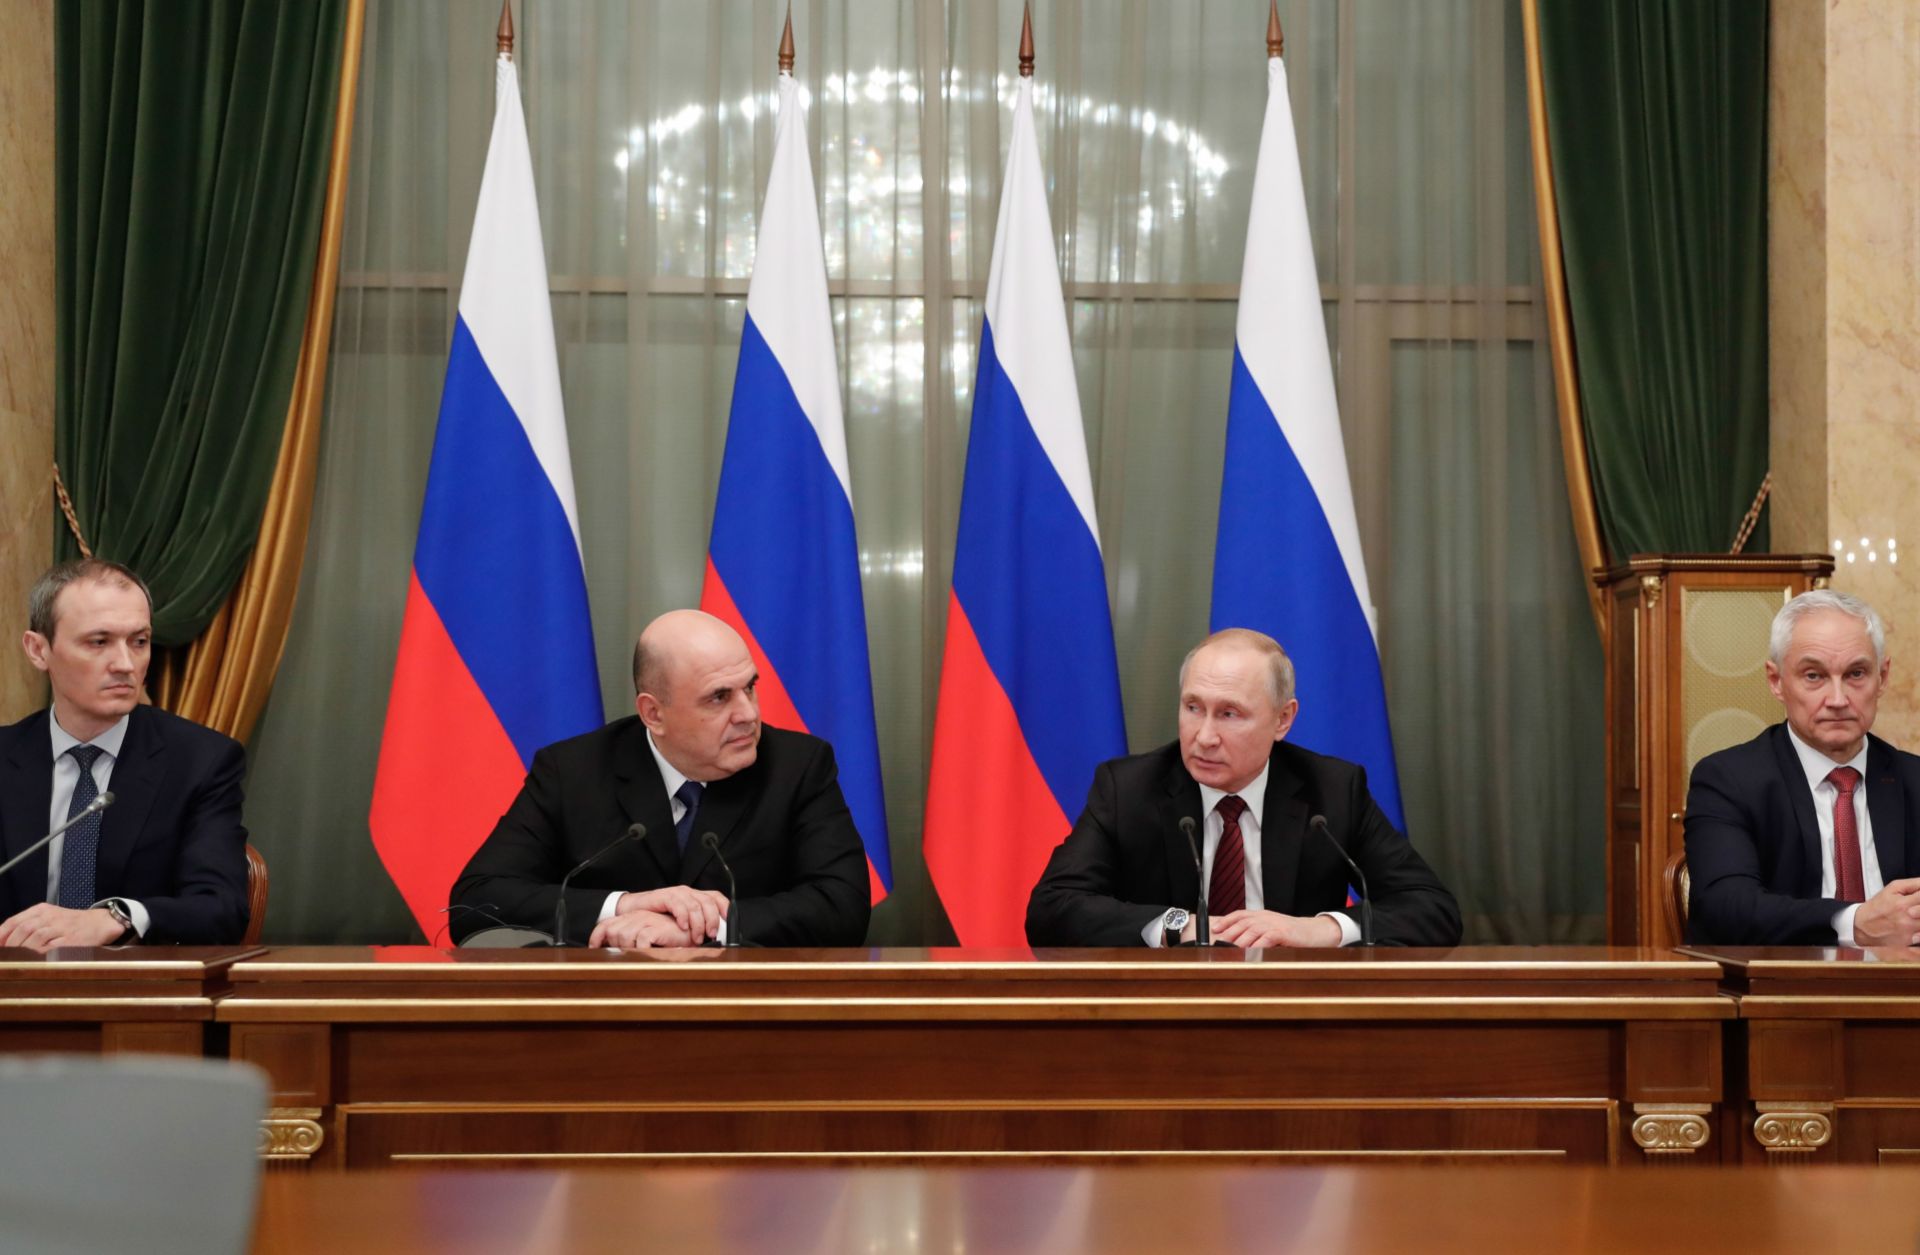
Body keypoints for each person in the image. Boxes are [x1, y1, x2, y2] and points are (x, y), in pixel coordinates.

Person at [450, 609, 870, 948]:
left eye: (750, 688)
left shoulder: (797, 765)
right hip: (600, 1022)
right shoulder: (572, 771)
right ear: (654, 713)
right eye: (719, 697)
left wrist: (704, 929)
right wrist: (623, 907)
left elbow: (843, 907)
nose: (748, 714)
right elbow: (475, 903)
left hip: (749, 1019)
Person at [1026, 628, 1461, 948]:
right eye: (1193, 708)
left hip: (1295, 1019)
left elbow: (1432, 909)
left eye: (1230, 714)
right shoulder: (1128, 788)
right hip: (1161, 1018)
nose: (1204, 736)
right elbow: (1051, 909)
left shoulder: (1332, 790)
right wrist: (1181, 924)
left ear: (1283, 719)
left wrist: (1319, 928)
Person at [0, 560, 250, 949]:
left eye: (139, 642)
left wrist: (116, 916)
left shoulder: (202, 761)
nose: (125, 664)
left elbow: (221, 908)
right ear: (38, 650)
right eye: (98, 642)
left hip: (137, 999)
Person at [1685, 590, 1920, 946]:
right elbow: (1725, 907)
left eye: (1856, 674)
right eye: (1814, 676)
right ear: (1776, 681)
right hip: (1780, 993)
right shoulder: (1728, 780)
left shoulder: (1914, 781)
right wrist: (1852, 922)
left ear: (1883, 677)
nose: (1838, 700)